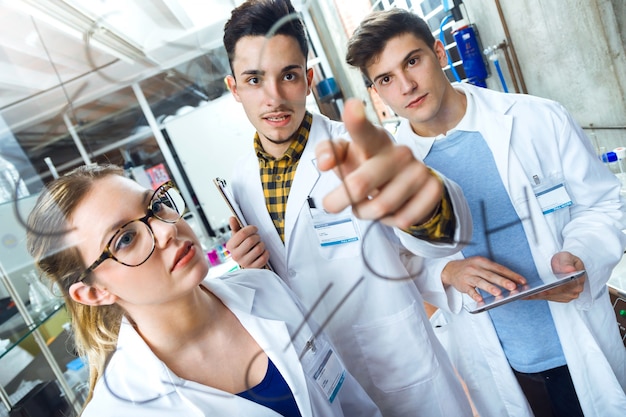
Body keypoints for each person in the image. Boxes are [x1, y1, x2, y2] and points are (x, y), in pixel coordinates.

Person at [345, 7, 626, 417]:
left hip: (583, 337)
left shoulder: (536, 118)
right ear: (376, 93)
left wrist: (582, 254)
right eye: (386, 79)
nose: (406, 85)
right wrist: (446, 273)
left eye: (412, 61)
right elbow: (393, 260)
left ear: (439, 53)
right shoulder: (385, 173)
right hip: (503, 368)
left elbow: (604, 201)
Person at [222, 1, 475, 416]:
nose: (274, 97)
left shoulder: (363, 145)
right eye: (254, 79)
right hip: (322, 378)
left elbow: (440, 238)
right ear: (235, 88)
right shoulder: (240, 181)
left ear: (307, 80)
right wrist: (252, 272)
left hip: (400, 366)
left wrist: (419, 202)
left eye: (288, 76)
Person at [25, 164, 384, 417]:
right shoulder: (118, 410)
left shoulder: (265, 288)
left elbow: (353, 405)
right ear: (94, 293)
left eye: (156, 206)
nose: (167, 230)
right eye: (126, 239)